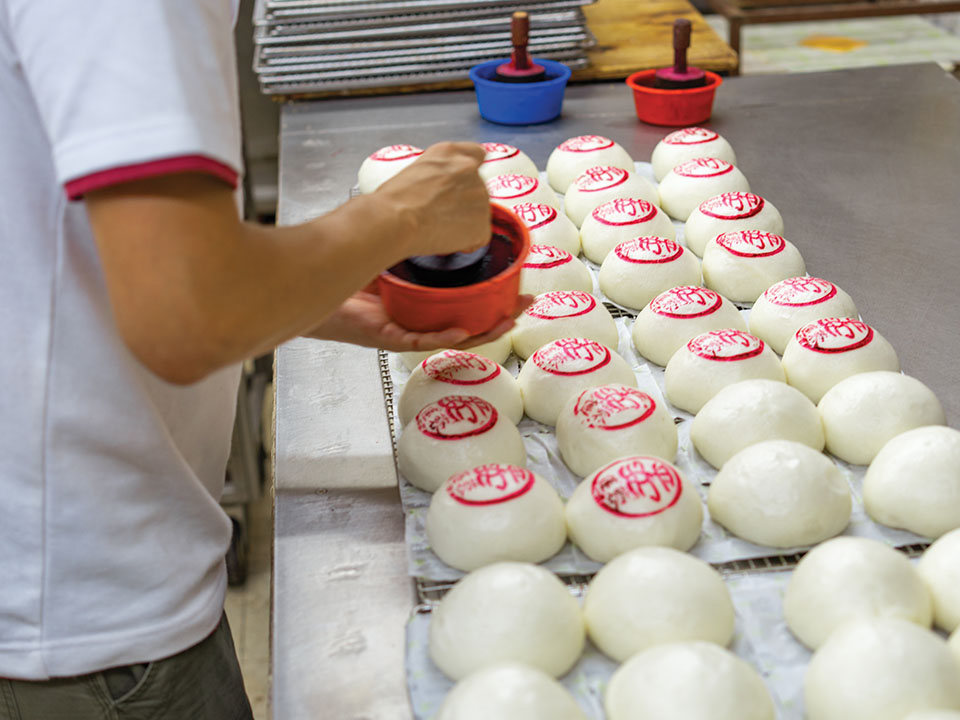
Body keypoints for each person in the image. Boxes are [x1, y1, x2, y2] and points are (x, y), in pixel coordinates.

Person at [0, 1, 523, 717]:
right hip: (81, 616)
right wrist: (399, 216)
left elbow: (69, 241)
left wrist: (317, 298)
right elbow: (185, 313)